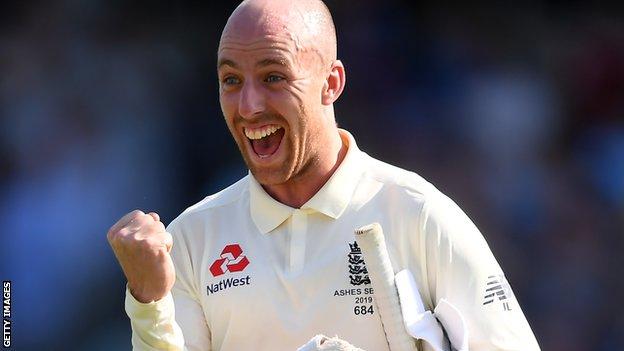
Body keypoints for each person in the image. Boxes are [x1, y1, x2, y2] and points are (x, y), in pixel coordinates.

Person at [107, 0, 541, 350]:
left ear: (331, 83)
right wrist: (149, 304)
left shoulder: (419, 214)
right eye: (231, 80)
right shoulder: (191, 240)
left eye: (273, 76)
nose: (249, 105)